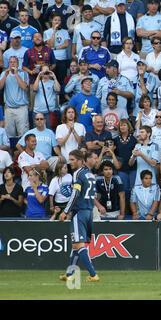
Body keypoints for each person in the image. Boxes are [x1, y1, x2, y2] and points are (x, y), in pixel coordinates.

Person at [59, 149, 100, 283]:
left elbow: (75, 194)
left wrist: (66, 211)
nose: (70, 163)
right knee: (76, 245)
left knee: (79, 244)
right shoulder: (89, 174)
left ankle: (93, 274)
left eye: (72, 160)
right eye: (69, 160)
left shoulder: (78, 174)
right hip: (89, 211)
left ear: (80, 160)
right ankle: (69, 273)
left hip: (80, 212)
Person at [0, 56, 29, 138]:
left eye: (14, 62)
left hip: (21, 108)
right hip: (9, 109)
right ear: (8, 64)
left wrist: (16, 74)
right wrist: (5, 75)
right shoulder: (4, 73)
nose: (12, 63)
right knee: (9, 135)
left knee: (23, 135)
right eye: (11, 62)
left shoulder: (23, 73)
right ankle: (11, 151)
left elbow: (24, 87)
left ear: (18, 63)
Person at [43, 12, 70, 87]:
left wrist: (55, 48)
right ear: (51, 20)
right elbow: (51, 44)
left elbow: (66, 44)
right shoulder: (47, 32)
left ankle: (61, 97)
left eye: (59, 20)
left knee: (62, 80)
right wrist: (54, 32)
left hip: (62, 59)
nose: (57, 22)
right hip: (52, 60)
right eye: (55, 20)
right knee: (51, 80)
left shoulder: (65, 32)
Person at [114, 118, 137, 204]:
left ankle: (133, 209)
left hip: (133, 168)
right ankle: (125, 208)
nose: (122, 127)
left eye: (124, 125)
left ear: (128, 126)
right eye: (121, 125)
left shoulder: (134, 139)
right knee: (123, 189)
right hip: (121, 169)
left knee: (133, 189)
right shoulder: (116, 140)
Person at [31, 65, 61, 129]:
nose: (45, 73)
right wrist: (38, 76)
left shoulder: (53, 82)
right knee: (37, 131)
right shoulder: (38, 82)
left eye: (47, 71)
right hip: (38, 111)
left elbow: (58, 90)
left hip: (49, 112)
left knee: (50, 131)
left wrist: (54, 78)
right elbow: (34, 89)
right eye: (44, 71)